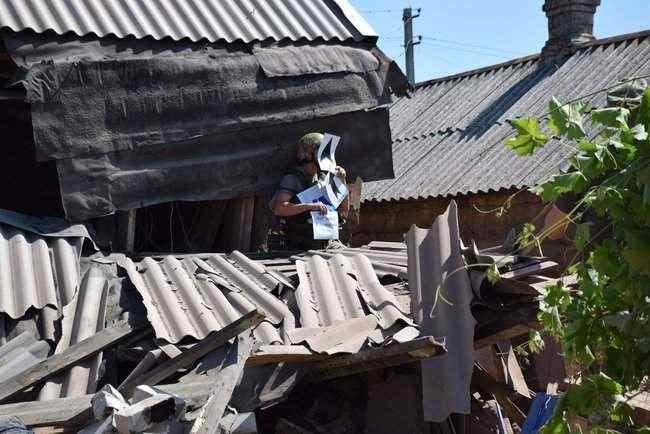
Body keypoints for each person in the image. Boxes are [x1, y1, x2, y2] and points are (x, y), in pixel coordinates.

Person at [270, 132, 349, 251]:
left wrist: (342, 181)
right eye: (320, 151)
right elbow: (279, 208)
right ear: (308, 154)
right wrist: (310, 206)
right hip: (302, 244)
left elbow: (344, 212)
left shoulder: (324, 178)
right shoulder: (293, 178)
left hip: (328, 241)